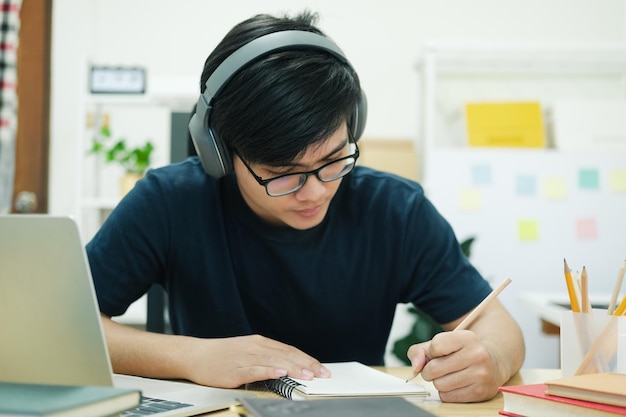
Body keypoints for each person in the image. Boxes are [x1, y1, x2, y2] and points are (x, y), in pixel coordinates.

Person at [86, 10, 525, 403]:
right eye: (283, 172)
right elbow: (72, 325)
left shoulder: (395, 210)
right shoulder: (169, 201)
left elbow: (498, 328)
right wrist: (195, 356)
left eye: (333, 160)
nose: (314, 192)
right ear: (220, 153)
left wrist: (490, 358)